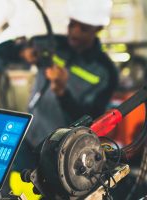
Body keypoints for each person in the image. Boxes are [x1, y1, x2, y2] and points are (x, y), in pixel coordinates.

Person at [27, 0, 118, 148]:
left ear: (98, 28)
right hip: (30, 136)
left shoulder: (106, 72)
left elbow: (92, 122)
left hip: (61, 150)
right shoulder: (53, 43)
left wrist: (62, 93)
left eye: (83, 28)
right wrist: (24, 51)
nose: (74, 32)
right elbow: (7, 50)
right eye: (72, 24)